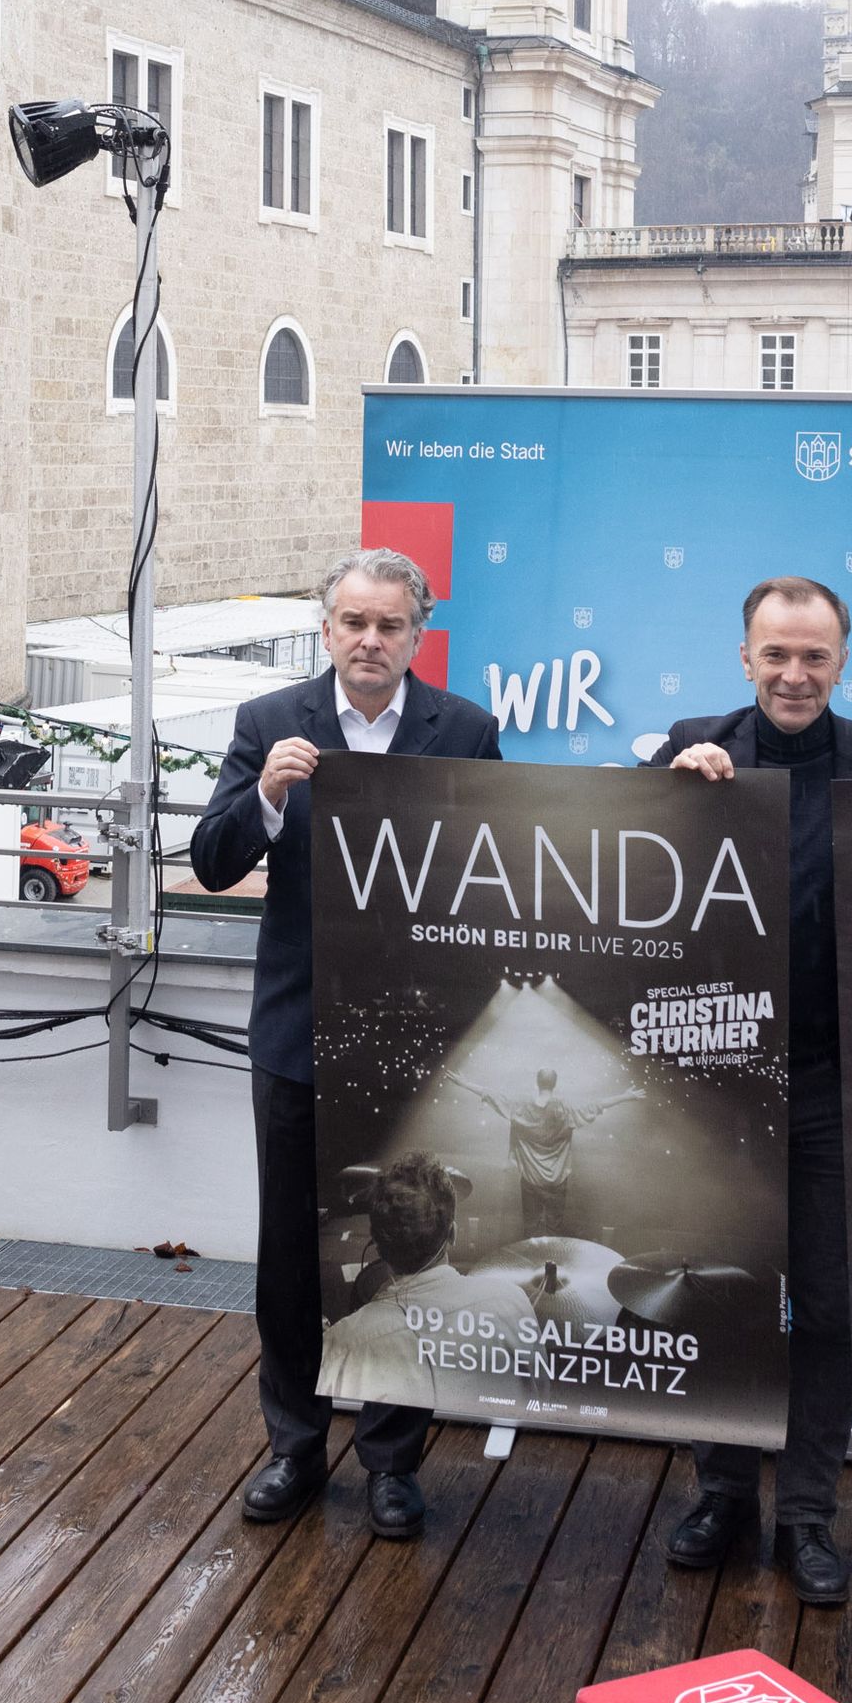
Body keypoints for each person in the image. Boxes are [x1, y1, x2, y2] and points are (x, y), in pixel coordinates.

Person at [188, 546, 501, 1541]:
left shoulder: (467, 730)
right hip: (298, 1029)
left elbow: (497, 872)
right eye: (354, 623)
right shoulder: (266, 722)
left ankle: (393, 1461)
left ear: (418, 635)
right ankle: (294, 1444)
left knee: (408, 1253)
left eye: (389, 625)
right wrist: (267, 798)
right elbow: (210, 860)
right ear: (326, 630)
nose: (370, 640)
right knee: (290, 1253)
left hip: (413, 1039)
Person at [650, 575, 852, 1604]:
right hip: (717, 1083)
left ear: (842, 662)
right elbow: (616, 868)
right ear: (745, 657)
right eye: (775, 653)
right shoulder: (690, 746)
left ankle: (808, 1513)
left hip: (833, 1085)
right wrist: (664, 789)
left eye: (814, 655)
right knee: (719, 1293)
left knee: (825, 1307)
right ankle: (723, 1492)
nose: (794, 674)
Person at [321, 1154, 542, 1419]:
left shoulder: (340, 1345)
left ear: (377, 1245)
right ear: (453, 1234)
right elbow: (539, 1398)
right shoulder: (512, 1302)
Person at [450, 1061, 644, 1234]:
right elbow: (597, 1105)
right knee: (554, 1229)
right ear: (555, 1084)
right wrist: (625, 1096)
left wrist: (464, 1083)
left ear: (537, 1082)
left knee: (530, 1228)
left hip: (530, 1178)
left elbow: (491, 1095)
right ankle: (551, 1262)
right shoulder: (566, 1110)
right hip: (558, 1180)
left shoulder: (520, 1107)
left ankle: (531, 1262)